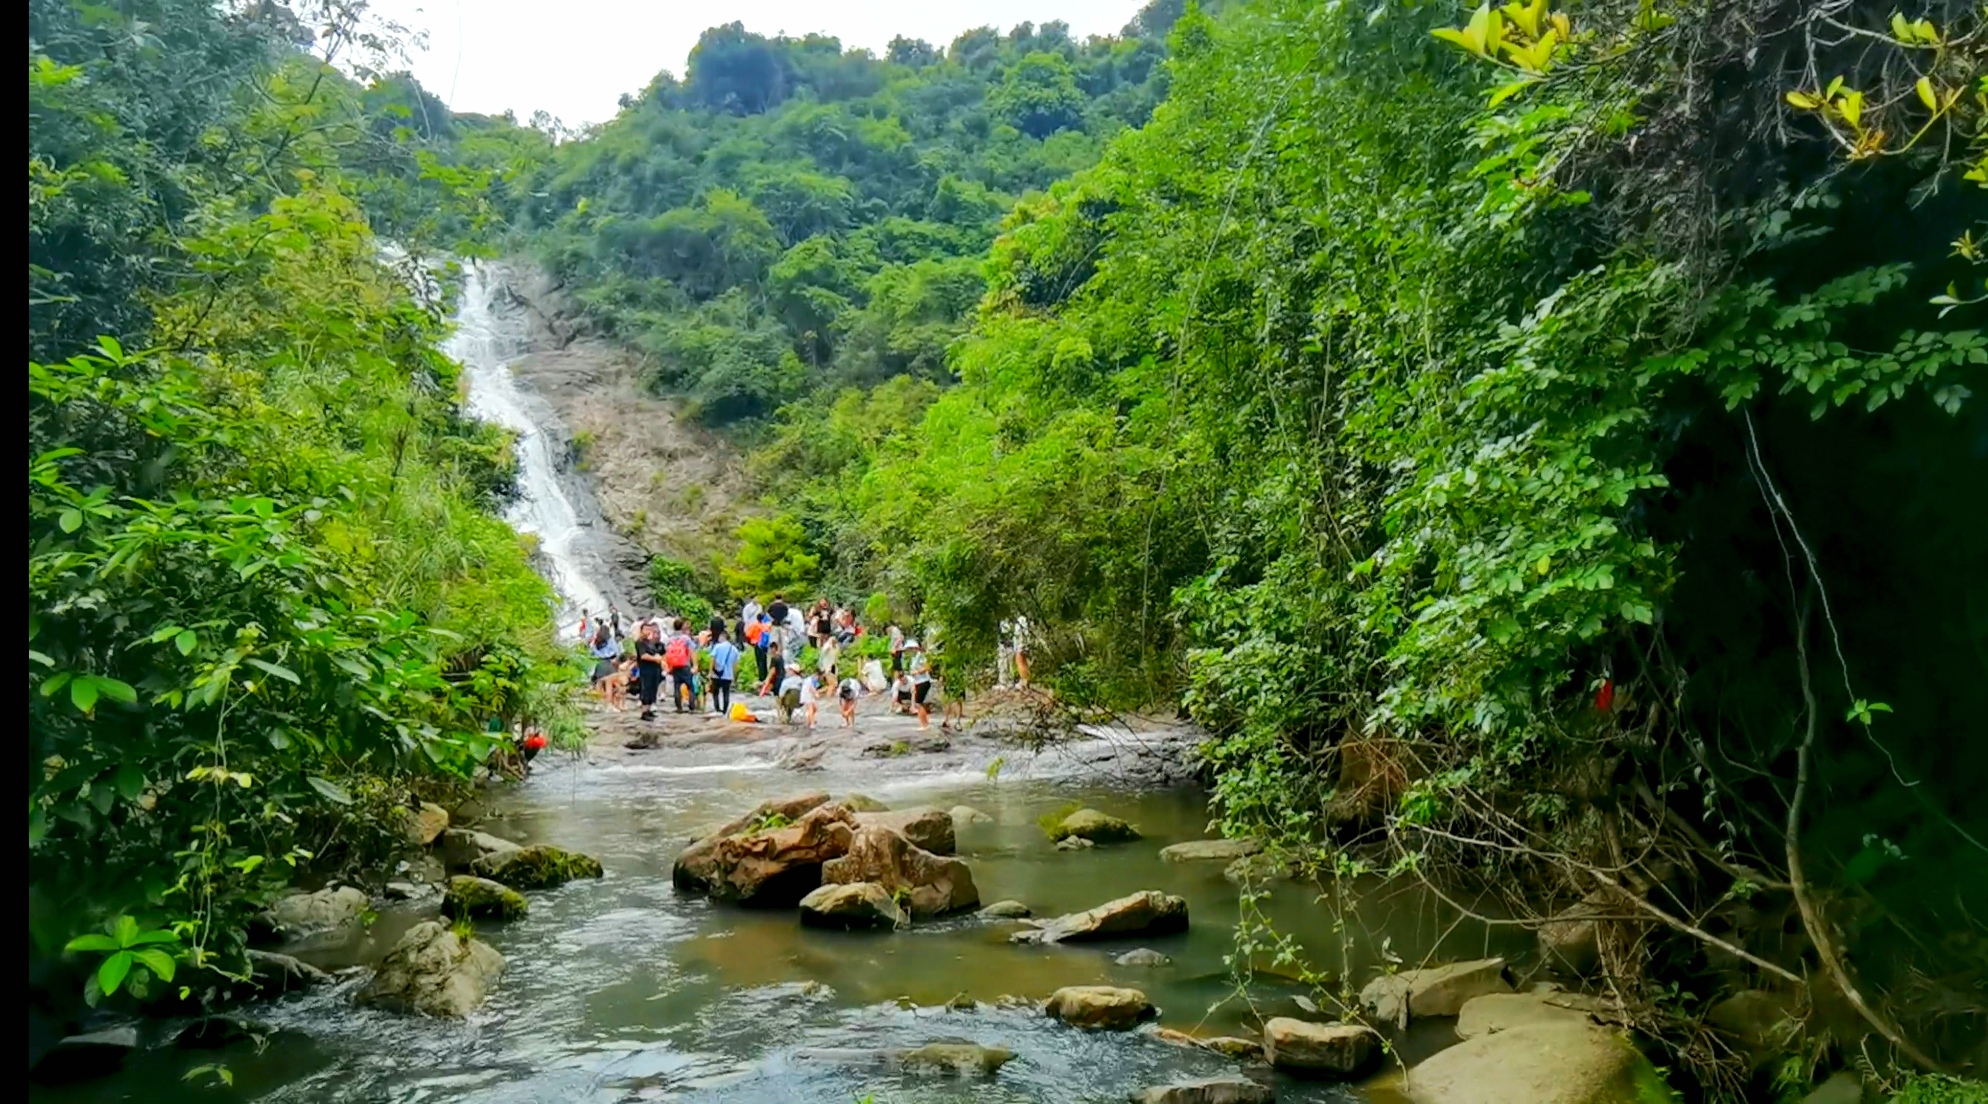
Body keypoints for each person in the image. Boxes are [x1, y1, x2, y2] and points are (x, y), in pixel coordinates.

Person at [633, 622, 666, 721]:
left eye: (649, 630)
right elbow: (643, 656)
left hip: (655, 669)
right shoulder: (640, 642)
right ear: (641, 630)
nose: (648, 632)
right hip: (646, 669)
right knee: (646, 689)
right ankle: (644, 711)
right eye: (646, 629)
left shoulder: (650, 642)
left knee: (653, 689)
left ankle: (649, 710)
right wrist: (655, 659)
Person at [664, 618, 696, 714]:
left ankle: (679, 707)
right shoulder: (686, 638)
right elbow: (692, 651)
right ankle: (691, 707)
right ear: (682, 626)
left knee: (677, 687)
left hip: (675, 665)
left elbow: (667, 653)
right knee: (690, 687)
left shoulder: (670, 639)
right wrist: (695, 665)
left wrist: (668, 666)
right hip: (685, 665)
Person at [708, 630, 740, 716]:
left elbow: (712, 660)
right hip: (728, 676)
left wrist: (710, 672)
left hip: (716, 675)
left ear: (723, 637)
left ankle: (717, 709)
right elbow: (735, 665)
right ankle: (725, 711)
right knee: (726, 693)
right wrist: (734, 676)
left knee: (715, 693)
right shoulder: (734, 650)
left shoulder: (717, 647)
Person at [905, 639, 934, 731]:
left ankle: (925, 725)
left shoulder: (921, 656)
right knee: (918, 703)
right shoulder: (914, 658)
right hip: (918, 682)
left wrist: (917, 672)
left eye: (909, 649)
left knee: (918, 703)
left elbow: (928, 667)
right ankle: (924, 723)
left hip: (923, 681)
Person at [588, 624, 621, 691]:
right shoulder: (610, 640)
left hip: (599, 663)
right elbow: (616, 652)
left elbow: (591, 652)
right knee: (610, 681)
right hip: (609, 662)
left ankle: (598, 697)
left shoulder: (596, 640)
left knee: (599, 681)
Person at [745, 614, 769, 683]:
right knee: (764, 661)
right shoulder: (766, 626)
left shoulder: (754, 625)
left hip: (757, 644)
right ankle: (765, 675)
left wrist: (751, 642)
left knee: (759, 661)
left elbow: (748, 634)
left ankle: (761, 677)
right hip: (764, 645)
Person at [1012, 615, 1032, 690]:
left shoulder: (1019, 621)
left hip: (1020, 644)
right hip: (1024, 643)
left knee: (1020, 662)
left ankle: (1024, 681)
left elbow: (1018, 635)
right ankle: (1026, 680)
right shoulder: (1025, 620)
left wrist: (1017, 646)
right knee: (1024, 662)